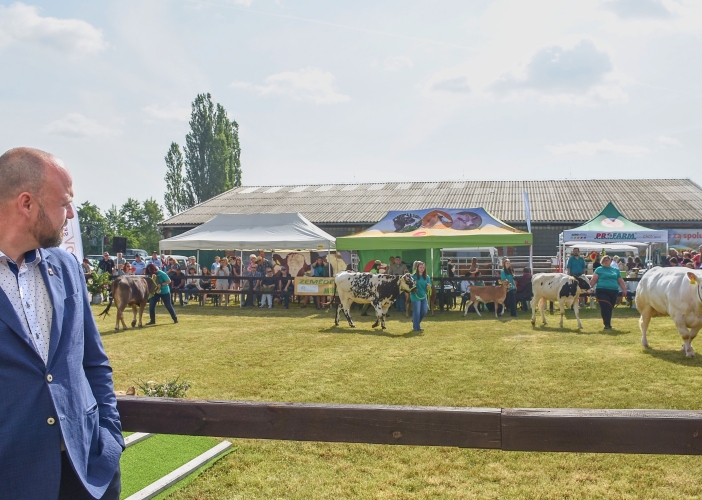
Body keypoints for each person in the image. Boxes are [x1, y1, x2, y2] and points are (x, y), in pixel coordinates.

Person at [0, 147, 123, 499]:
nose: (71, 213)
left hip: (88, 472)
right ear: (26, 204)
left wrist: (109, 438)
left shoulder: (66, 268)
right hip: (13, 477)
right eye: (64, 202)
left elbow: (93, 361)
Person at [589, 255, 627, 330]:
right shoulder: (599, 269)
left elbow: (620, 280)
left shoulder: (616, 270)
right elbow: (594, 280)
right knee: (605, 306)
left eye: (607, 260)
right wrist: (589, 288)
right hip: (601, 290)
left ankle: (607, 323)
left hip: (613, 291)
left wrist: (624, 289)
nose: (606, 261)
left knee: (610, 307)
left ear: (610, 261)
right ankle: (607, 324)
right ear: (602, 262)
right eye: (604, 260)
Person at [410, 261, 431, 332]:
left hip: (423, 296)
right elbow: (409, 286)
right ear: (417, 268)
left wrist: (429, 287)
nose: (422, 269)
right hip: (415, 296)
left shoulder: (427, 277)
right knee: (417, 311)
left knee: (424, 310)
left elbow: (429, 285)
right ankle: (416, 327)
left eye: (423, 267)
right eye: (421, 267)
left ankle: (415, 321)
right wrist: (413, 286)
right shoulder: (413, 276)